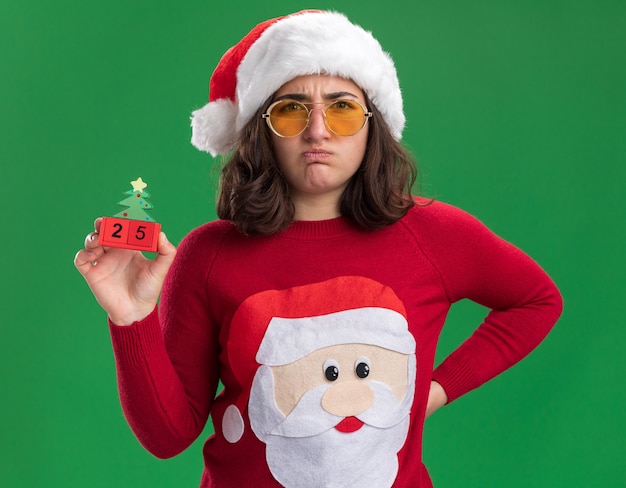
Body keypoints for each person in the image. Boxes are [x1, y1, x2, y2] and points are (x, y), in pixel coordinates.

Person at [74, 10, 562, 488]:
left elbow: (537, 300)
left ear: (374, 123)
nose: (318, 130)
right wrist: (130, 316)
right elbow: (167, 437)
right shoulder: (208, 256)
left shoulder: (432, 234)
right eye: (291, 109)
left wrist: (437, 389)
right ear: (261, 130)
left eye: (343, 107)